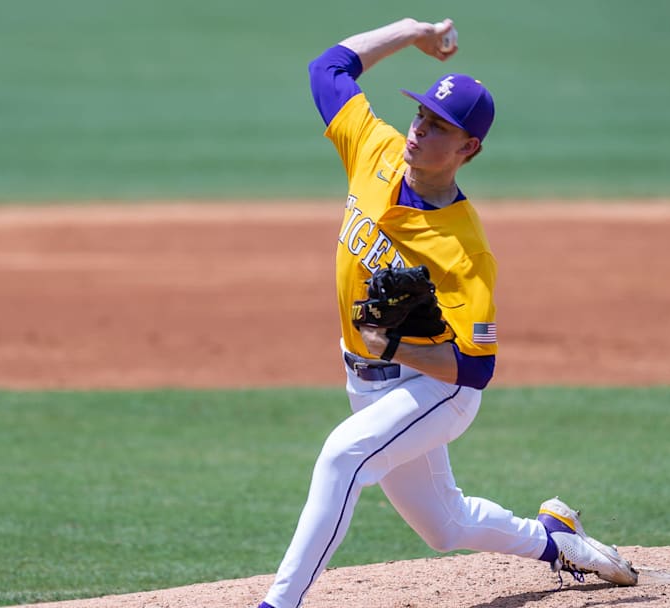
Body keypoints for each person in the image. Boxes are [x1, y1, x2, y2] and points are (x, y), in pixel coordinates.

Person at [257, 17, 638, 608]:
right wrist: (410, 32)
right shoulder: (376, 149)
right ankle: (555, 541)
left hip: (437, 391)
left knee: (342, 458)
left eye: (439, 128)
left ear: (468, 148)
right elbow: (327, 68)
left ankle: (277, 604)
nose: (418, 132)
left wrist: (392, 345)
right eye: (420, 117)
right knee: (445, 527)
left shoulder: (466, 250)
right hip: (369, 380)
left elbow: (475, 368)